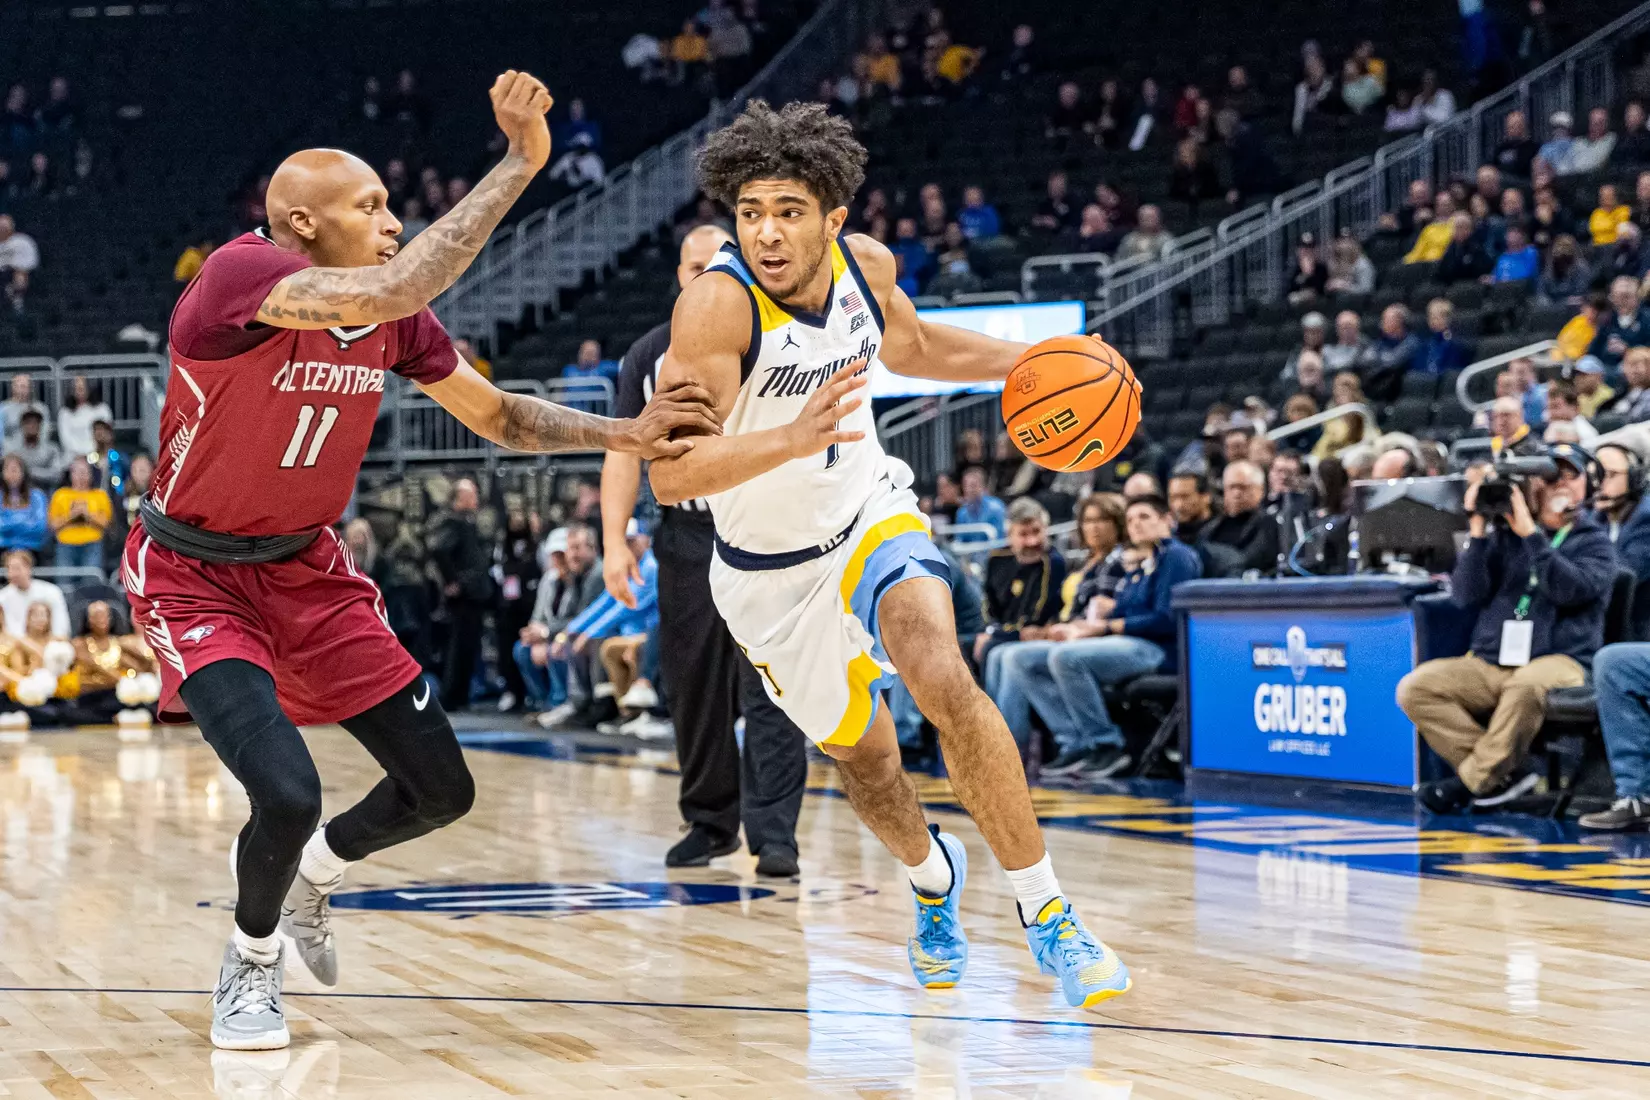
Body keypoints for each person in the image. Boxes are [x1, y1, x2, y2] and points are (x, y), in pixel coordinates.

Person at [119, 72, 719, 1052]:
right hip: (194, 570)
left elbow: (504, 416)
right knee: (286, 787)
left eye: (394, 205)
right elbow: (396, 281)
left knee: (442, 788)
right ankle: (250, 959)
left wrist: (632, 428)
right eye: (372, 206)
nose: (395, 220)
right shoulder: (238, 277)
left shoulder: (396, 322)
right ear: (302, 223)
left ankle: (316, 873)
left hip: (308, 570)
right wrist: (522, 162)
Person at [650, 99, 1135, 1011]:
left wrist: (1042, 355)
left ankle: (1049, 914)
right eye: (751, 211)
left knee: (940, 673)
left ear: (834, 217)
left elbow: (913, 345)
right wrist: (788, 439)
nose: (765, 231)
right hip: (765, 574)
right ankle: (931, 880)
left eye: (788, 210)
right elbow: (675, 479)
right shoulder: (714, 307)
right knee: (867, 762)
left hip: (869, 511)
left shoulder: (865, 272)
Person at [601, 223, 806, 876]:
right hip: (688, 536)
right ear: (680, 276)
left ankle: (775, 834)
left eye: (720, 263)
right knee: (693, 685)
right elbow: (623, 450)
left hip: (769, 525)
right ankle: (710, 822)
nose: (707, 276)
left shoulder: (779, 340)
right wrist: (613, 542)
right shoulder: (649, 355)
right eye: (696, 266)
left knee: (771, 685)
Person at [1402, 446, 1614, 812]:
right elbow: (1465, 596)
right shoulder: (1504, 538)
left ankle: (1470, 783)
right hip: (1494, 661)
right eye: (1551, 476)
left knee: (1526, 685)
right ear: (1534, 486)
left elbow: (1569, 590)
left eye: (1570, 475)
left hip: (1563, 660)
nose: (1560, 483)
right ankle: (1507, 776)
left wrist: (1533, 535)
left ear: (1587, 485)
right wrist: (1478, 530)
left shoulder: (1594, 542)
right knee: (1417, 687)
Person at [992, 495, 1198, 780]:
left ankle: (1106, 744)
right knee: (1020, 658)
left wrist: (1105, 626)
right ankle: (1074, 742)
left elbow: (1166, 619)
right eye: (1131, 519)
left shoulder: (1176, 557)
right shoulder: (1142, 563)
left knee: (1066, 657)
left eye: (1145, 517)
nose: (1136, 524)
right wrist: (1088, 623)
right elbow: (1122, 609)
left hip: (1160, 649)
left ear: (1167, 520)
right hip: (1127, 641)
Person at [71, 599, 159, 724]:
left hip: (114, 694)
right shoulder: (79, 644)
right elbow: (93, 666)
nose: (101, 620)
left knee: (138, 702)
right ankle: (116, 718)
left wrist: (145, 662)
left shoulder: (119, 643)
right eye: (96, 616)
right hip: (91, 695)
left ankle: (124, 716)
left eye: (104, 615)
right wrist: (120, 679)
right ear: (88, 620)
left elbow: (144, 666)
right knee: (72, 713)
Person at [1202, 460, 1278, 574]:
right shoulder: (1210, 528)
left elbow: (1252, 559)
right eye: (1231, 487)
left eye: (1243, 487)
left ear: (1260, 490)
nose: (1236, 493)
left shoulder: (1269, 524)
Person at [1593, 442, 1650, 580]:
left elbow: (1620, 578)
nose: (1598, 484)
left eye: (1610, 474)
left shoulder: (1646, 519)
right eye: (1595, 475)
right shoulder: (1595, 517)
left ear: (1634, 478)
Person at [48, 456, 111, 573]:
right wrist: (72, 515)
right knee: (65, 584)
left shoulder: (100, 495)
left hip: (92, 544)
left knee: (92, 582)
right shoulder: (60, 495)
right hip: (65, 544)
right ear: (71, 474)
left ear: (91, 474)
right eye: (77, 472)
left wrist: (87, 514)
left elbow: (106, 524)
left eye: (84, 472)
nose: (81, 476)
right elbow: (53, 525)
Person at [0, 549, 67, 637]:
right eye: (9, 569)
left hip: (48, 642)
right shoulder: (3, 596)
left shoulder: (52, 591)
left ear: (29, 568)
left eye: (17, 568)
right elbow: (8, 630)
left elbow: (61, 627)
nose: (12, 574)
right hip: (16, 645)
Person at [1589, 275, 1650, 370]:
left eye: (1627, 297)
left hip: (1636, 366)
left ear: (1637, 297)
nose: (1622, 302)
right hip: (1605, 366)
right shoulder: (1607, 319)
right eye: (1618, 297)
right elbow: (1594, 349)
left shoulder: (1646, 319)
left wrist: (1628, 350)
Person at [0, 455, 46, 556]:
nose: (12, 474)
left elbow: (40, 527)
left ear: (23, 473)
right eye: (8, 470)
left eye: (15, 470)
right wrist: (23, 520)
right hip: (3, 548)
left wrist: (10, 520)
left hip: (32, 549)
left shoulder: (37, 496)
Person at [57, 375, 111, 460]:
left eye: (82, 388)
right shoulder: (64, 412)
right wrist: (80, 454)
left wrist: (90, 453)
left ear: (89, 388)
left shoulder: (102, 409)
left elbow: (106, 435)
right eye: (77, 388)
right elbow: (65, 439)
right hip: (73, 456)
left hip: (98, 454)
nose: (79, 391)